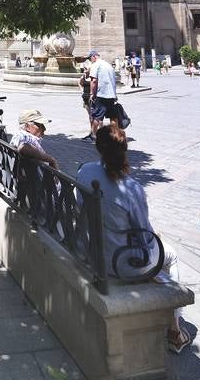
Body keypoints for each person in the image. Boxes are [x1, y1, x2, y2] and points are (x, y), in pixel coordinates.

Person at [77, 124, 191, 354]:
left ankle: (172, 322)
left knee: (157, 250)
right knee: (171, 255)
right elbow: (144, 235)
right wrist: (154, 237)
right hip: (120, 262)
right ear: (124, 150)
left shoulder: (85, 171)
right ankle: (174, 329)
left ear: (98, 148)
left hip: (90, 249)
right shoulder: (131, 189)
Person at [87, 50, 118, 135]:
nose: (90, 60)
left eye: (90, 58)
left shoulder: (96, 65)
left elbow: (94, 81)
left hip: (102, 94)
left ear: (94, 56)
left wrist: (92, 94)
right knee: (113, 116)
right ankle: (114, 135)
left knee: (97, 116)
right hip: (111, 94)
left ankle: (93, 135)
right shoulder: (108, 65)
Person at [79, 63, 94, 141]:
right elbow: (79, 83)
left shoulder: (92, 77)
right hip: (85, 98)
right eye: (84, 69)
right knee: (90, 116)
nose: (84, 70)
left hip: (91, 98)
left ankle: (93, 132)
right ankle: (92, 132)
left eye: (86, 69)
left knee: (92, 116)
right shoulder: (83, 77)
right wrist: (82, 91)